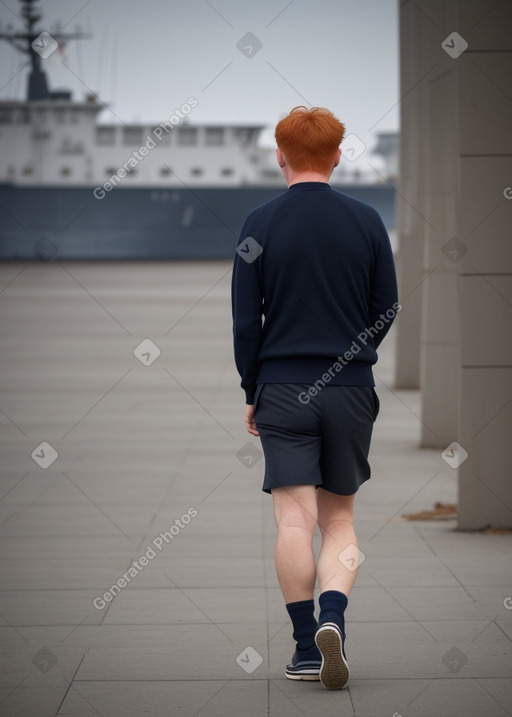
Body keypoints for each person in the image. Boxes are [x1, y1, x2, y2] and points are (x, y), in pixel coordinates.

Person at [231, 106, 399, 690]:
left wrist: (254, 388)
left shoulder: (258, 222)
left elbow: (245, 322)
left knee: (293, 522)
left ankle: (306, 648)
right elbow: (387, 307)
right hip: (350, 387)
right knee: (340, 521)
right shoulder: (367, 221)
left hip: (282, 388)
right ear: (336, 155)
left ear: (280, 155)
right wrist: (356, 356)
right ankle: (334, 616)